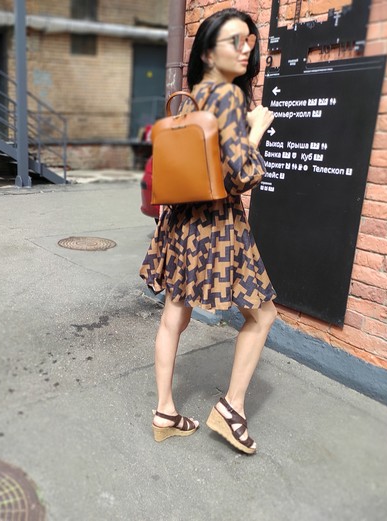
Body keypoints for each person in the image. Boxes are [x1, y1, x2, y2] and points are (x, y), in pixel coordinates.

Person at [139, 8, 277, 455]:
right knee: (263, 315)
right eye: (233, 41)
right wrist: (257, 130)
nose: (244, 49)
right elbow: (240, 175)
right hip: (217, 227)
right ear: (208, 52)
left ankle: (165, 411)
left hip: (180, 223)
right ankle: (232, 410)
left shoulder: (192, 98)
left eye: (248, 41)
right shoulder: (230, 99)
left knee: (174, 314)